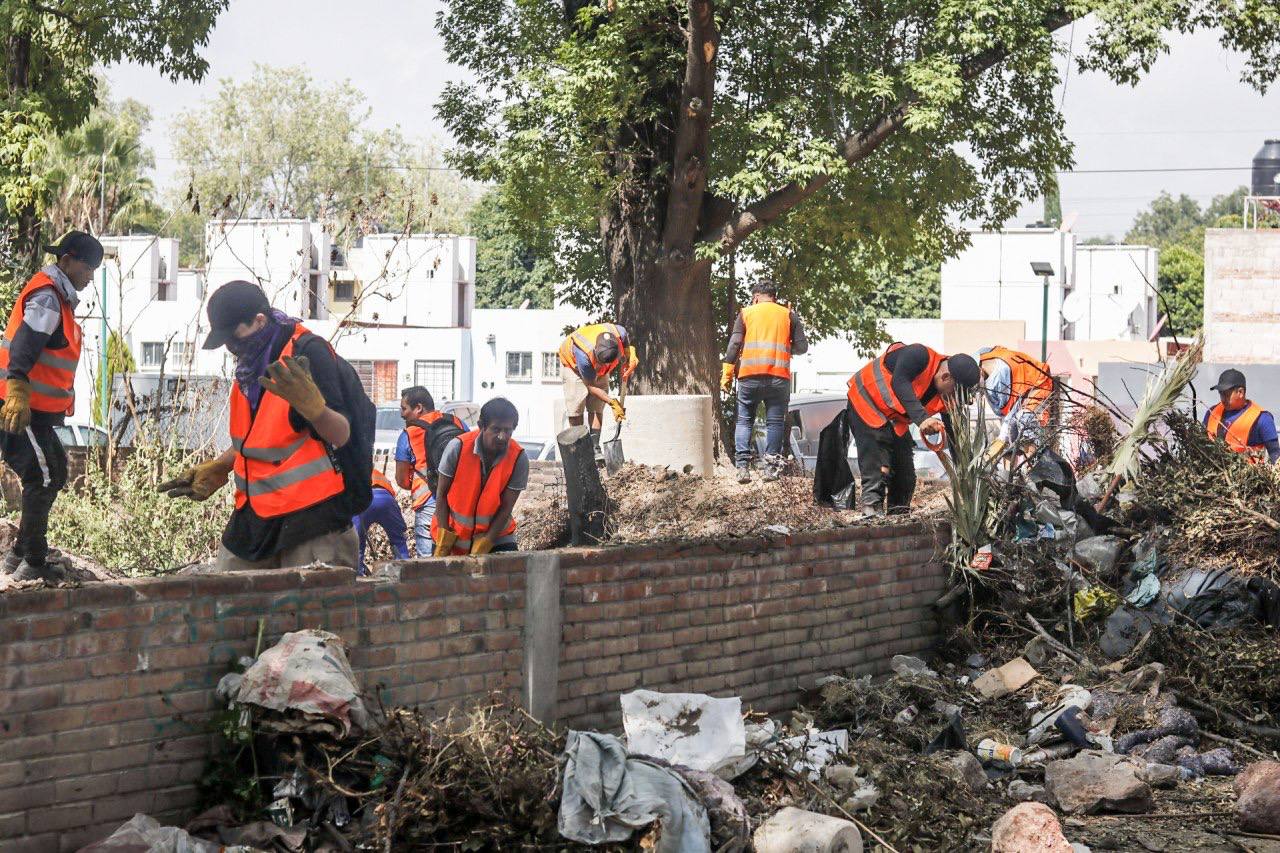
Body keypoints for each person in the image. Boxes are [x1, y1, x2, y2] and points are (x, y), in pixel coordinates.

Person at [159, 281, 375, 569]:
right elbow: (262, 436)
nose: (230, 346)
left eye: (233, 335)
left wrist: (317, 411)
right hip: (256, 517)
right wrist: (221, 466)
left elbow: (341, 434)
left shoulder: (308, 352)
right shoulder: (250, 366)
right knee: (228, 601)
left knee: (309, 611)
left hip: (313, 517)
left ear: (259, 320)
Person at [0, 231, 102, 582]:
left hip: (35, 410)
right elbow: (25, 344)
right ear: (67, 260)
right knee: (42, 476)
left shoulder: (59, 299)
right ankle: (33, 560)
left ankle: (18, 555)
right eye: (88, 268)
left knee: (54, 472)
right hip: (18, 405)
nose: (91, 277)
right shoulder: (47, 296)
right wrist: (16, 386)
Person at [846, 343, 980, 515]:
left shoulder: (947, 394)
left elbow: (956, 439)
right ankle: (871, 511)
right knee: (879, 466)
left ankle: (899, 515)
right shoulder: (918, 355)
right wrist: (922, 419)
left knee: (905, 474)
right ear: (946, 377)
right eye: (955, 392)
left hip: (893, 418)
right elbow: (899, 382)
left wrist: (967, 474)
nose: (955, 398)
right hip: (865, 402)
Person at [721, 278, 808, 483]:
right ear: (774, 297)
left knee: (744, 420)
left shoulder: (746, 313)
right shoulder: (788, 314)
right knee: (775, 422)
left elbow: (734, 344)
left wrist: (727, 372)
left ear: (757, 296)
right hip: (778, 378)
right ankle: (771, 469)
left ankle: (742, 468)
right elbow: (802, 348)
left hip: (749, 377)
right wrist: (787, 348)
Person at [431, 397, 528, 556]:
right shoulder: (458, 447)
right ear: (481, 426)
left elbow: (506, 508)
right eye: (496, 429)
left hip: (496, 534)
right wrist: (444, 538)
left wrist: (487, 542)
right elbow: (441, 495)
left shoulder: (518, 458)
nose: (502, 436)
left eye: (507, 430)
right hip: (451, 532)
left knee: (504, 577)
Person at [394, 386, 467, 555]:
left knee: (427, 563)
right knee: (459, 558)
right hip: (460, 501)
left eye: (404, 408)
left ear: (418, 408)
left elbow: (402, 480)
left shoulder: (408, 434)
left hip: (428, 503)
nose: (401, 414)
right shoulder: (457, 422)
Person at [558, 322, 637, 458]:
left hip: (593, 364)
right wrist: (612, 402)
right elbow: (590, 386)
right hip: (573, 367)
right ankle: (579, 448)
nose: (603, 366)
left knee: (596, 407)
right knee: (576, 406)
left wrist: (630, 355)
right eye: (602, 363)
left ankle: (595, 447)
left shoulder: (620, 334)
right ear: (596, 351)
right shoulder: (583, 355)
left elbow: (624, 337)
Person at [976, 345, 1054, 458]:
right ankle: (1011, 472)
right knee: (1010, 439)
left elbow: (1013, 407)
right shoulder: (979, 358)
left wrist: (1002, 437)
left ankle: (1032, 466)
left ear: (980, 372)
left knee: (1026, 427)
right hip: (1021, 390)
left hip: (1038, 385)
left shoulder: (1002, 373)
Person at [1203, 368, 1279, 463]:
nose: (1222, 399)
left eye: (1226, 395)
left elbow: (1275, 454)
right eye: (1221, 394)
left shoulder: (1262, 419)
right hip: (1210, 473)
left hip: (1248, 476)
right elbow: (1200, 443)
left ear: (1240, 392)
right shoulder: (1211, 412)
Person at [353, 469, 409, 575]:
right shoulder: (374, 471)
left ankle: (358, 576)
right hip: (386, 499)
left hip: (364, 502)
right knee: (399, 541)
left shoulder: (351, 473)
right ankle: (404, 571)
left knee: (357, 544)